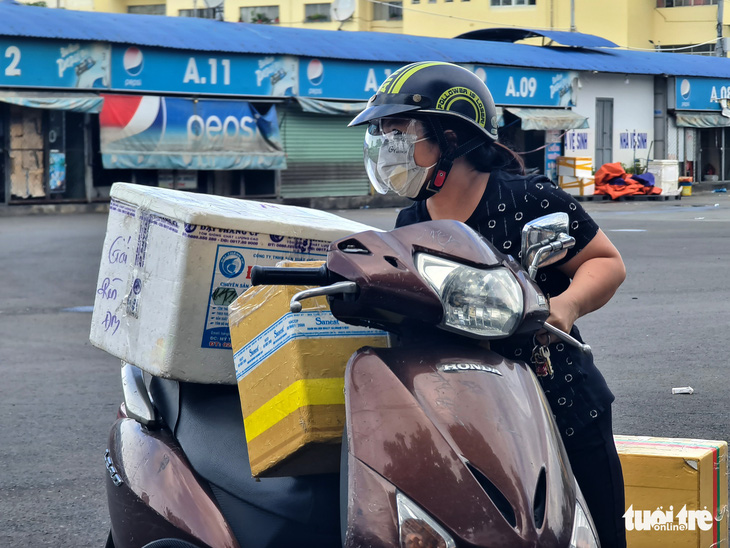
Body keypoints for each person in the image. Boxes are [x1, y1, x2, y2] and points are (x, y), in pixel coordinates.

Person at [349, 61, 627, 547]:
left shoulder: (526, 198)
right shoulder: (409, 220)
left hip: (558, 402)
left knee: (592, 532)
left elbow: (605, 262)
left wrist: (566, 306)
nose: (388, 145)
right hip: (466, 414)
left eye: (399, 131)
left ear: (452, 136)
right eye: (382, 133)